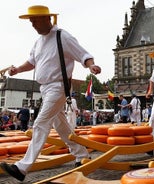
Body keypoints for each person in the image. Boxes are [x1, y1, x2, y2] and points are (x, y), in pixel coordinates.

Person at [0, 5, 101, 182]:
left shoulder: (62, 36)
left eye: (35, 20)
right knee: (61, 126)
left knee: (41, 122)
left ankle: (23, 167)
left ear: (48, 18)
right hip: (45, 89)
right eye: (31, 21)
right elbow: (31, 62)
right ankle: (81, 154)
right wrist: (18, 70)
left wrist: (91, 65)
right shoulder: (38, 42)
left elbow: (83, 54)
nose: (33, 24)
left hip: (59, 86)